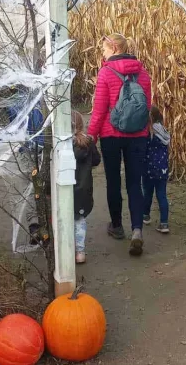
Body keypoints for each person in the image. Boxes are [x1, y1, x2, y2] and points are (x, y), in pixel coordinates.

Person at [87, 33, 153, 256]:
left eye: (104, 49)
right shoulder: (143, 74)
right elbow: (147, 106)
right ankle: (137, 230)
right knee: (135, 183)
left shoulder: (106, 73)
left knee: (113, 182)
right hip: (138, 135)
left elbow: (98, 111)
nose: (103, 54)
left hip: (110, 135)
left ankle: (117, 226)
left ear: (114, 48)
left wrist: (90, 138)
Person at [71, 111, 100, 264]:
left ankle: (67, 250)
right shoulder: (88, 142)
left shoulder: (63, 144)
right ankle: (80, 252)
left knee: (66, 221)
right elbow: (96, 160)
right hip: (83, 189)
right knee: (80, 220)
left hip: (67, 190)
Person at [142, 106, 171, 233]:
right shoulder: (164, 131)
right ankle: (164, 223)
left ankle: (145, 215)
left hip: (149, 169)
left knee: (147, 193)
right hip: (163, 169)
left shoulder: (149, 133)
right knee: (162, 195)